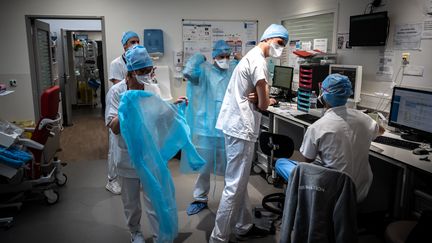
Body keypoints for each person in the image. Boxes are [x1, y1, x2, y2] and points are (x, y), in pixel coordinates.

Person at [210, 24, 288, 243]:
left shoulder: (250, 57)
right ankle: (218, 238)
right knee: (235, 186)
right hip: (241, 129)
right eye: (280, 43)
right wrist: (269, 99)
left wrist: (262, 96)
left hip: (233, 126)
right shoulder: (259, 62)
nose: (281, 48)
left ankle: (243, 226)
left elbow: (255, 96)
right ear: (269, 38)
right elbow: (263, 104)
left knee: (239, 182)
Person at [106, 45, 181, 243]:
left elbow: (159, 116)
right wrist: (127, 106)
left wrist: (174, 107)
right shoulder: (116, 92)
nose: (147, 75)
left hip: (150, 156)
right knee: (131, 204)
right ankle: (135, 233)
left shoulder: (152, 89)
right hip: (126, 157)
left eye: (149, 71)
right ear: (130, 72)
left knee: (154, 200)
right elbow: (113, 127)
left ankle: (160, 237)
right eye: (142, 72)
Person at [276, 73, 385, 202]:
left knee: (281, 162)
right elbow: (381, 130)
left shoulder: (317, 127)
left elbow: (308, 161)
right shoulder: (364, 119)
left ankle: (300, 204)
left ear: (324, 95)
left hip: (330, 192)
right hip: (359, 191)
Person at [183, 40, 241, 216]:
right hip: (205, 126)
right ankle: (200, 198)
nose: (224, 59)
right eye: (220, 56)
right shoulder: (204, 70)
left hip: (227, 126)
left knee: (230, 166)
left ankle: (230, 199)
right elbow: (188, 72)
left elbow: (250, 76)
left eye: (227, 56)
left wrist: (241, 58)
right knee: (204, 166)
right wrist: (199, 56)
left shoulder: (234, 69)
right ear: (214, 56)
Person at [105, 31, 140, 195]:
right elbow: (120, 86)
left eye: (137, 41)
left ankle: (132, 177)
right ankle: (111, 180)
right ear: (124, 45)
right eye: (132, 42)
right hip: (119, 105)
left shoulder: (138, 61)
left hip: (131, 106)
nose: (135, 44)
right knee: (115, 144)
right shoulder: (116, 63)